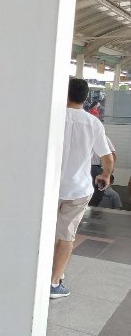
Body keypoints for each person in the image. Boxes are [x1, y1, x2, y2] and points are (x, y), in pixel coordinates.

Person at [51, 78, 113, 299]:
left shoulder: (52, 118)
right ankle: (54, 282)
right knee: (66, 236)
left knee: (48, 233)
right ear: (86, 98)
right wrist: (105, 175)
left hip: (50, 188)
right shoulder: (93, 123)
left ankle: (44, 274)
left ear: (64, 94)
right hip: (78, 189)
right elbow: (107, 157)